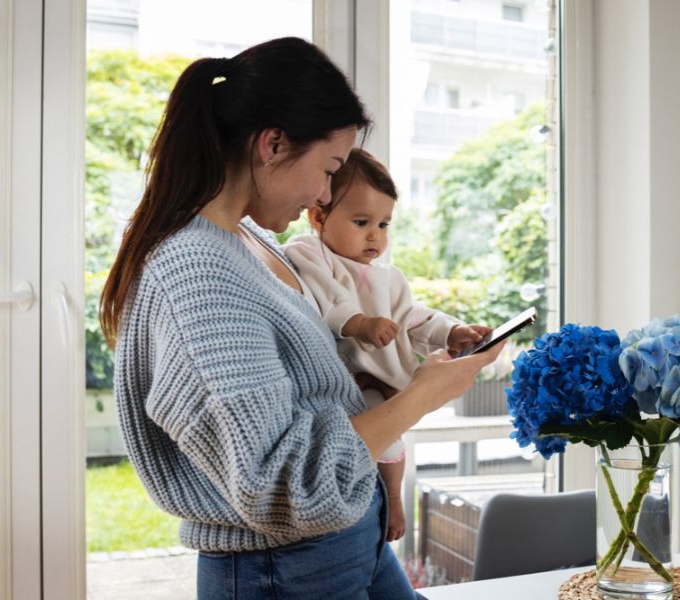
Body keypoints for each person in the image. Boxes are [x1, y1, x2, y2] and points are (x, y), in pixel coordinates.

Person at [99, 37, 504, 600]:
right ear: (272, 144)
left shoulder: (249, 239)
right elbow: (283, 483)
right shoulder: (198, 271)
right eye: (329, 168)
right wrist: (420, 396)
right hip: (284, 565)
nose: (323, 193)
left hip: (343, 538)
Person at [283, 148, 492, 543]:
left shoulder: (388, 277)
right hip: (344, 377)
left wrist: (451, 332)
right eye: (361, 222)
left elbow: (411, 315)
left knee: (391, 435)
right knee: (373, 436)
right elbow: (326, 298)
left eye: (383, 224)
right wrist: (359, 322)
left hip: (380, 378)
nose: (374, 235)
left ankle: (393, 498)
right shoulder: (308, 252)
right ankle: (385, 501)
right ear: (318, 216)